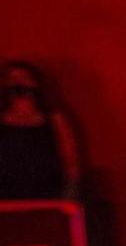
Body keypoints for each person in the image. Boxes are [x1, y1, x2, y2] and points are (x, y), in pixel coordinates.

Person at [0, 61, 82, 201]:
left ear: (36, 83)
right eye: (12, 79)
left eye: (25, 78)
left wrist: (70, 191)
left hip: (46, 193)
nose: (19, 83)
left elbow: (70, 157)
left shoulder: (55, 119)